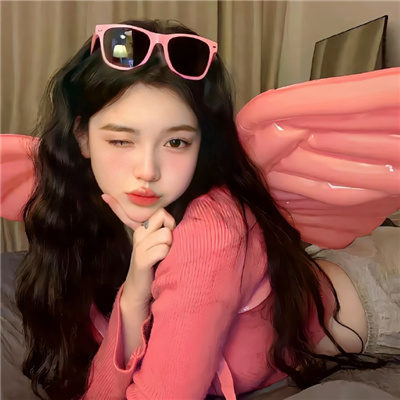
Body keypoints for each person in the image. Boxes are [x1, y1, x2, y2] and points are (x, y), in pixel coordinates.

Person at [12, 19, 397, 400]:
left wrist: (133, 299)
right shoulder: (85, 207)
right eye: (121, 141)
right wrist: (133, 294)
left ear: (201, 144)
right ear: (82, 137)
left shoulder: (209, 231)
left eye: (176, 142)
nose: (148, 170)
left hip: (380, 295)